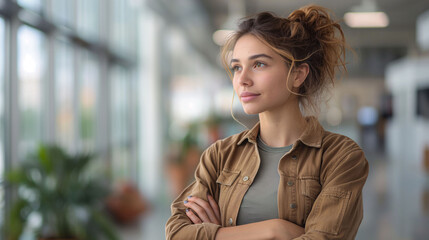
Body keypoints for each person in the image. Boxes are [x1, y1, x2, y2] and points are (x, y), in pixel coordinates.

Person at [165, 4, 369, 240]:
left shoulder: (341, 157)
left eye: (259, 64)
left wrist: (218, 234)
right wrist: (275, 230)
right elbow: (177, 233)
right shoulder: (220, 156)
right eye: (237, 67)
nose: (242, 79)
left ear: (297, 75)